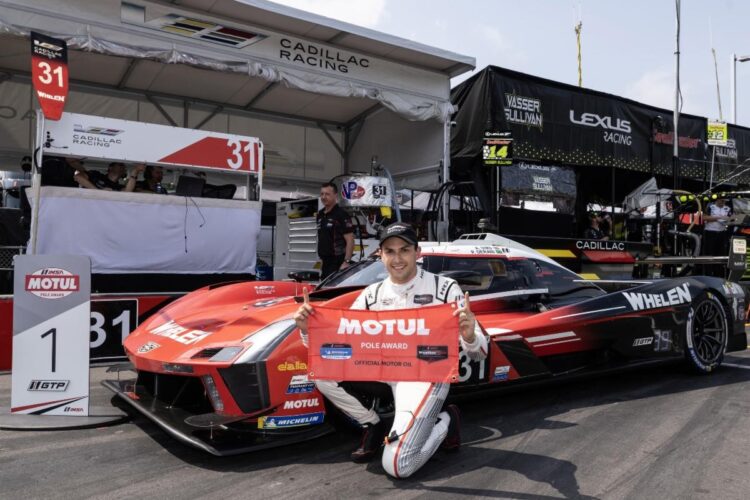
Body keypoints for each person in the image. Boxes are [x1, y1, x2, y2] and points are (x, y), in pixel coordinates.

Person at [294, 222, 488, 478]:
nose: (397, 259)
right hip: (382, 372)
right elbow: (332, 347)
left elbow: (480, 353)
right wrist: (308, 330)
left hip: (425, 376)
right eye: (390, 251)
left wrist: (469, 335)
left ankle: (444, 422)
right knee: (321, 372)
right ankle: (372, 423)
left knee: (398, 467)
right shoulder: (371, 295)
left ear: (417, 253)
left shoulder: (446, 289)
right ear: (380, 255)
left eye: (404, 250)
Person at [316, 182, 354, 279]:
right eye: (322, 194)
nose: (324, 197)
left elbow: (350, 239)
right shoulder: (320, 214)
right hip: (325, 262)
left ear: (335, 196)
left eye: (327, 194)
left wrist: (346, 262)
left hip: (338, 262)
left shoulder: (341, 214)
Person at [74, 162, 144, 192]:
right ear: (110, 167)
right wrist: (97, 191)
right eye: (120, 165)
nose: (123, 168)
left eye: (125, 167)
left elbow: (127, 191)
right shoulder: (96, 175)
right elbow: (78, 177)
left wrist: (136, 171)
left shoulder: (118, 186)